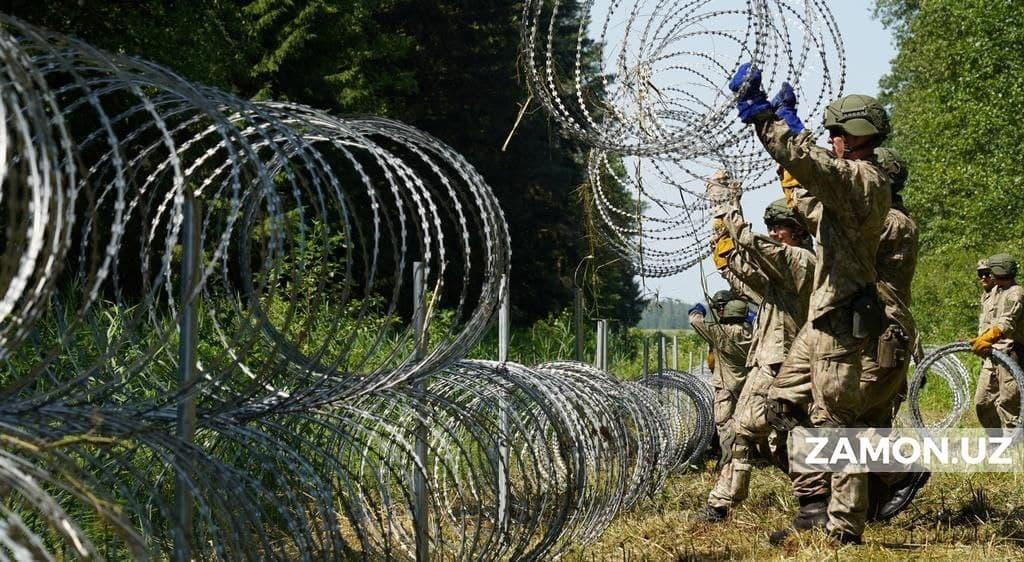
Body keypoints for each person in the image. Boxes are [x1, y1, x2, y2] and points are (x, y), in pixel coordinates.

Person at [730, 64, 892, 545]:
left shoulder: (862, 180)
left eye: (834, 132)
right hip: (822, 321)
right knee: (783, 403)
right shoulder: (850, 185)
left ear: (853, 135)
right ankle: (813, 506)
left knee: (837, 423)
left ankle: (843, 528)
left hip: (841, 322)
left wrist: (767, 120)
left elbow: (813, 166)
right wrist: (791, 127)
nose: (831, 139)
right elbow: (808, 190)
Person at [698, 187, 815, 522]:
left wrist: (727, 207)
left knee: (743, 430)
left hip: (781, 364)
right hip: (777, 362)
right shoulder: (785, 271)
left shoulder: (801, 261)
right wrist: (725, 250)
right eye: (772, 227)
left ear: (799, 230)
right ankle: (822, 497)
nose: (774, 233)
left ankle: (721, 503)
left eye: (781, 226)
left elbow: (753, 246)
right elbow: (749, 277)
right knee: (781, 441)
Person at [689, 295, 753, 485]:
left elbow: (695, 321)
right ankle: (746, 458)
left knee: (725, 428)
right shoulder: (754, 333)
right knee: (746, 427)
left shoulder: (720, 333)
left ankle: (726, 464)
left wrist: (698, 308)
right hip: (747, 387)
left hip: (725, 388)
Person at [972, 253, 1023, 430]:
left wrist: (987, 337)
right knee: (982, 403)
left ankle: (1013, 448)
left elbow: (1006, 322)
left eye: (990, 271)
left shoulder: (1016, 293)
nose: (987, 275)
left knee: (1009, 404)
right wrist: (980, 339)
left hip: (1011, 356)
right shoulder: (993, 292)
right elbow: (988, 321)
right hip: (992, 356)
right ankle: (995, 442)